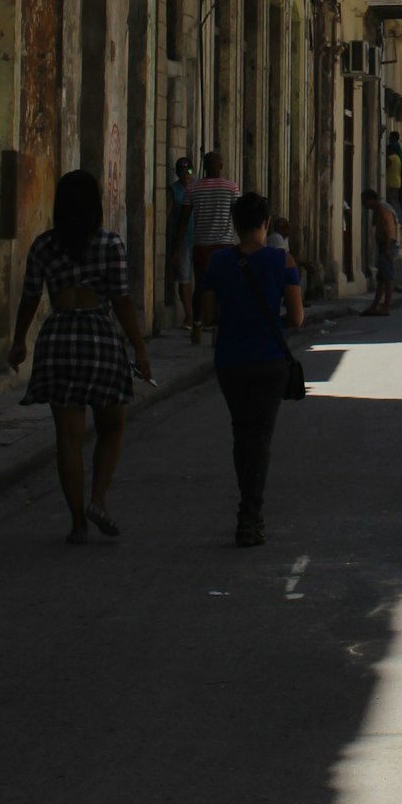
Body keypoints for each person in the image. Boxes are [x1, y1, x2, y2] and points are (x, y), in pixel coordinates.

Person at [9, 169, 150, 545]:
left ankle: (77, 523)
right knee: (112, 426)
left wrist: (19, 341)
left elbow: (30, 298)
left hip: (58, 339)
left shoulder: (42, 245)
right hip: (98, 336)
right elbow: (121, 301)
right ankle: (98, 500)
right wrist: (139, 348)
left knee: (67, 438)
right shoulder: (109, 244)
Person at [199, 191, 303, 547]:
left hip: (230, 358)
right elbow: (298, 317)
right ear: (267, 223)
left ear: (234, 223)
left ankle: (248, 507)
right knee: (260, 437)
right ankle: (250, 513)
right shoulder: (283, 261)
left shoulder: (218, 262)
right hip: (269, 359)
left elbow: (209, 315)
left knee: (242, 434)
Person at [186, 149, 239, 344]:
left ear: (204, 166)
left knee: (200, 285)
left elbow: (184, 218)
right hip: (224, 245)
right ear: (221, 166)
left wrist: (176, 246)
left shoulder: (193, 188)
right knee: (222, 287)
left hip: (201, 244)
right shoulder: (231, 188)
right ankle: (217, 329)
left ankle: (197, 327)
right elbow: (237, 215)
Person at [165, 156, 195, 329]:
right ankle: (189, 316)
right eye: (183, 171)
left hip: (200, 238)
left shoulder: (198, 186)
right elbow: (168, 215)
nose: (186, 175)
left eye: (189, 171)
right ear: (177, 173)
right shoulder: (174, 190)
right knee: (184, 277)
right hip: (182, 240)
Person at [361, 187, 399, 316]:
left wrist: (388, 249)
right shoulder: (379, 210)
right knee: (382, 278)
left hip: (387, 246)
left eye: (364, 201)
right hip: (384, 246)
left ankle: (386, 306)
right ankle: (375, 306)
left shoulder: (382, 210)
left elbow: (389, 229)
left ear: (370, 200)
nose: (363, 204)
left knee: (387, 277)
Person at [385, 131, 402, 248]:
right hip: (397, 185)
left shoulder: (393, 153)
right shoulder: (399, 156)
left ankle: (394, 237)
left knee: (393, 211)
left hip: (391, 186)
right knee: (398, 212)